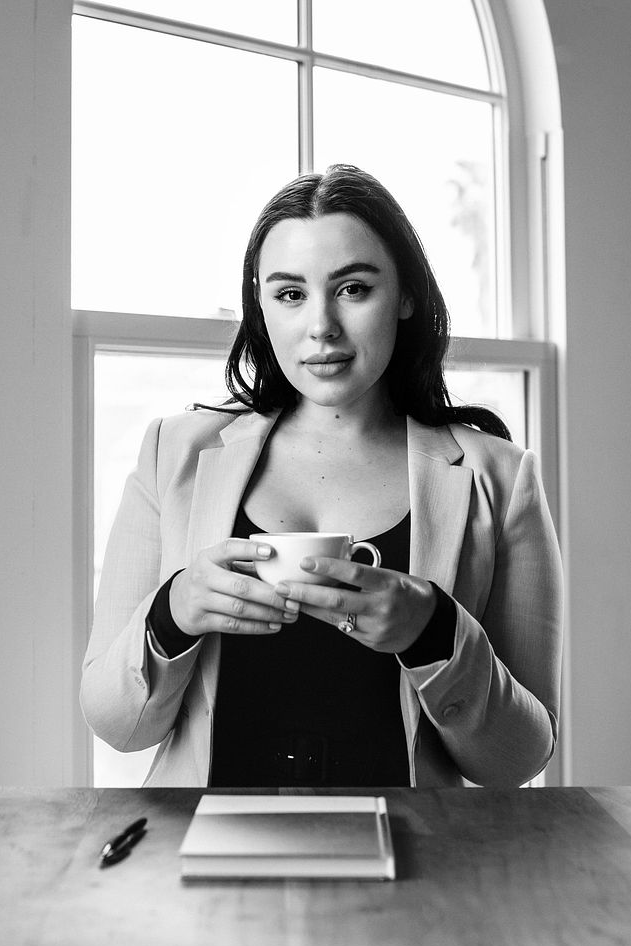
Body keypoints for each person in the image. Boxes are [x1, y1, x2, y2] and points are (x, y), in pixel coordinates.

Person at [80, 164, 563, 788]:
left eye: (353, 288)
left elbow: (518, 761)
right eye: (290, 294)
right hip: (205, 856)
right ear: (262, 308)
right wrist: (174, 613)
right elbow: (116, 725)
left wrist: (437, 635)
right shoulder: (170, 454)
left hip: (413, 860)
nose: (321, 326)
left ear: (407, 296)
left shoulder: (501, 479)